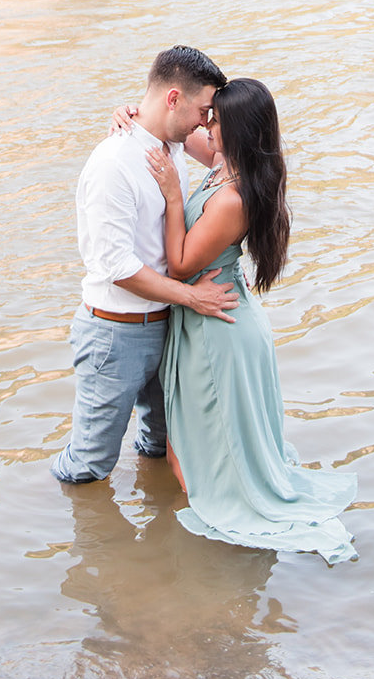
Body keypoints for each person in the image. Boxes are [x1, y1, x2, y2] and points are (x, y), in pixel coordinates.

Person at [146, 77, 358, 565]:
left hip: (218, 330)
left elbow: (180, 264)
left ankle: (201, 564)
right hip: (215, 318)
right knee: (191, 446)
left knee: (197, 452)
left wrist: (174, 195)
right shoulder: (224, 162)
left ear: (235, 131)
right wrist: (134, 113)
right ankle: (204, 554)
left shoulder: (232, 199)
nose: (206, 124)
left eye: (215, 119)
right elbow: (175, 129)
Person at [50, 46, 239, 485]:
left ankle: (157, 531)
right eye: (203, 110)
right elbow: (116, 265)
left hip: (168, 327)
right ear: (173, 99)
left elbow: (234, 151)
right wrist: (193, 296)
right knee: (89, 466)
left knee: (160, 445)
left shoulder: (171, 144)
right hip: (116, 334)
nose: (207, 123)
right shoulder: (114, 163)